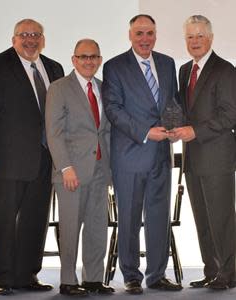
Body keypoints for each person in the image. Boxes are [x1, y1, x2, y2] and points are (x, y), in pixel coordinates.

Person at [0, 19, 64, 295]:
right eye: (25, 35)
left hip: (45, 160)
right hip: (5, 161)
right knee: (4, 222)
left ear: (43, 40)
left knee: (36, 221)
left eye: (36, 35)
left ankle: (27, 276)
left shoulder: (54, 68)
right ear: (14, 39)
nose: (31, 40)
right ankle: (2, 278)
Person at [102, 14, 182, 293]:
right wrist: (147, 132)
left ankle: (157, 275)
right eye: (139, 34)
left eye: (149, 33)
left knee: (159, 218)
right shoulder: (114, 67)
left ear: (156, 35)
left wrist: (176, 125)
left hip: (162, 154)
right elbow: (113, 110)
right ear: (130, 36)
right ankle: (131, 275)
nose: (145, 39)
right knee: (130, 218)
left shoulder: (168, 63)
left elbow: (173, 102)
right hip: (130, 155)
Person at [45, 39, 114, 296]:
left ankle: (94, 279)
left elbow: (105, 131)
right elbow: (54, 132)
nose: (89, 61)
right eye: (83, 56)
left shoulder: (103, 87)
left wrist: (111, 170)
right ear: (73, 60)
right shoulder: (59, 88)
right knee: (71, 227)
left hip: (99, 170)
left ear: (100, 60)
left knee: (97, 227)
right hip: (71, 172)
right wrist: (65, 168)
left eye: (93, 56)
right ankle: (68, 281)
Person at [172, 15, 236, 290]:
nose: (194, 41)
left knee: (222, 218)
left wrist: (196, 131)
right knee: (202, 219)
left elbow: (230, 114)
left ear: (209, 38)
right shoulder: (185, 70)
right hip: (193, 159)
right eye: (190, 37)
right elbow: (183, 110)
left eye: (199, 36)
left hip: (217, 158)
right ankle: (212, 270)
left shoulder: (225, 70)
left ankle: (230, 273)